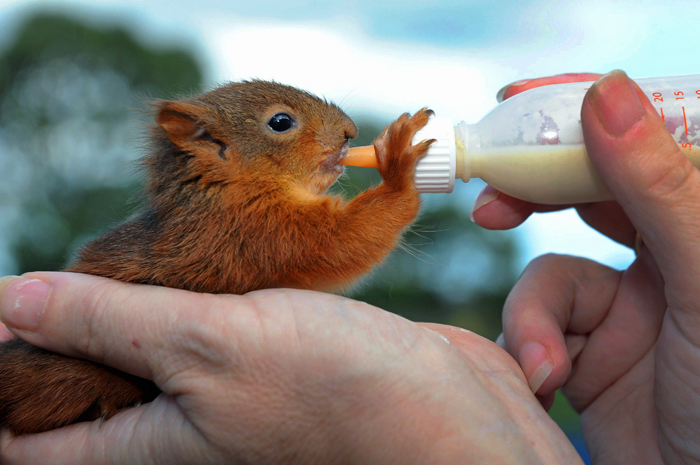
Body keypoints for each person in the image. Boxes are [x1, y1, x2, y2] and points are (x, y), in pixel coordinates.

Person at [0, 69, 694, 464]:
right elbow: (331, 246)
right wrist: (396, 191)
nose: (340, 135)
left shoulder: (254, 215)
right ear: (208, 146)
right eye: (284, 126)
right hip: (80, 380)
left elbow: (325, 245)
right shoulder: (238, 214)